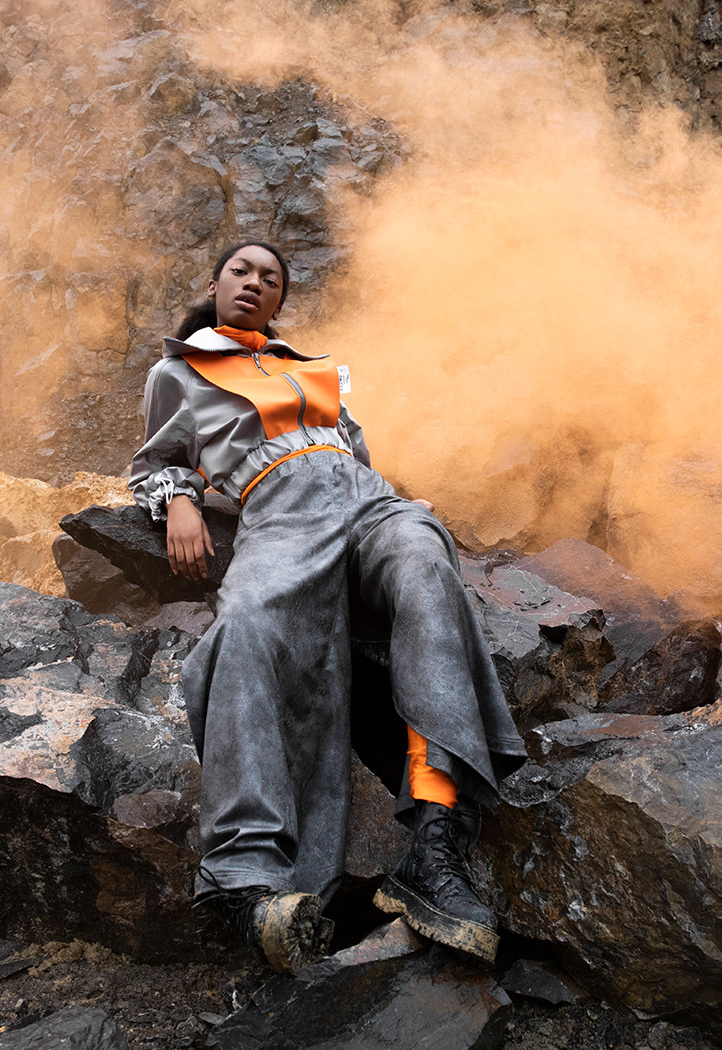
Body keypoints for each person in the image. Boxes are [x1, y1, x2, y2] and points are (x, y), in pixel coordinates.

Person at [129, 241, 527, 974]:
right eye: (242, 271)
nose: (255, 283)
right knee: (245, 627)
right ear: (215, 284)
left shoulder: (315, 370)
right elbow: (155, 459)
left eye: (271, 278)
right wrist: (179, 498)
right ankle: (244, 876)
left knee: (426, 566)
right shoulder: (177, 371)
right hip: (279, 510)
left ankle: (434, 845)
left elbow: (354, 456)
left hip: (369, 503)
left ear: (280, 300)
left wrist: (403, 507)